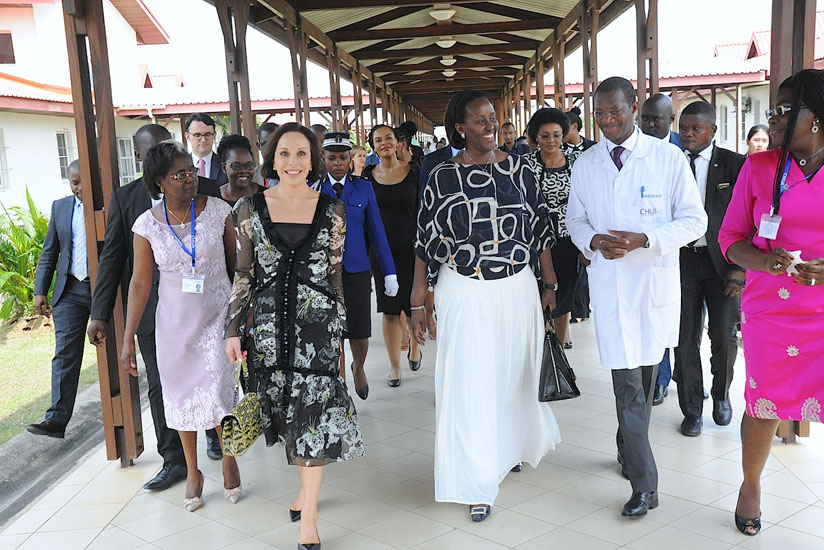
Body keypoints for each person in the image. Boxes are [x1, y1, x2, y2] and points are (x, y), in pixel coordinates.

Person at [411, 90, 561, 522]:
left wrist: (549, 282)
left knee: (513, 374)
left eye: (492, 117)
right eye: (479, 120)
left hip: (517, 288)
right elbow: (424, 239)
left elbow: (540, 229)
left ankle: (507, 449)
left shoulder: (522, 167)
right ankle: (477, 479)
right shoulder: (441, 175)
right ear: (460, 128)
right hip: (466, 288)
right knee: (471, 381)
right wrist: (418, 299)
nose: (490, 125)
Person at [566, 76, 707, 518]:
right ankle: (646, 486)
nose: (607, 120)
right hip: (611, 286)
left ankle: (628, 446)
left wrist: (646, 239)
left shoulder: (667, 158)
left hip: (652, 285)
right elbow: (575, 220)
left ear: (633, 108)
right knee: (627, 386)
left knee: (643, 384)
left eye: (615, 111)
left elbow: (695, 221)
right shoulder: (586, 163)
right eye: (600, 113)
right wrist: (593, 242)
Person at [225, 123, 364, 549]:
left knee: (313, 419)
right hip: (269, 332)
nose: (292, 162)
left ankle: (310, 518)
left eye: (302, 153)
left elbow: (335, 275)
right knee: (287, 414)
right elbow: (244, 274)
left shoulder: (333, 211)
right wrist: (233, 329)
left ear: (313, 159)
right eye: (284, 153)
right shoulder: (247, 210)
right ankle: (305, 492)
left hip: (318, 332)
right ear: (272, 159)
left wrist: (340, 333)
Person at [87, 124, 222, 491]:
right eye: (154, 154)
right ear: (142, 160)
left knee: (212, 376)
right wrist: (100, 314)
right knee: (164, 387)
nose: (168, 160)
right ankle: (175, 461)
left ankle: (216, 438)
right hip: (155, 314)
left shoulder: (207, 191)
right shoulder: (126, 198)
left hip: (207, 307)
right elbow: (114, 259)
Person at [718, 69, 824, 536]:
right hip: (771, 308)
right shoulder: (760, 167)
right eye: (773, 109)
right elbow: (730, 237)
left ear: (815, 118)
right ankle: (751, 484)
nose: (773, 117)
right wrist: (766, 262)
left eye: (784, 110)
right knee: (764, 402)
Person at [121, 140, 239, 512]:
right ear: (159, 181)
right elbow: (140, 284)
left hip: (217, 316)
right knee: (181, 399)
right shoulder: (146, 225)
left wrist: (243, 316)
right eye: (180, 174)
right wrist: (127, 339)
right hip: (173, 325)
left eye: (191, 171)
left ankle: (230, 459)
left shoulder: (218, 210)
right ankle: (192, 471)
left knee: (219, 393)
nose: (190, 178)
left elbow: (240, 267)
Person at [674, 101, 747, 436]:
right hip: (680, 262)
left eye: (695, 128)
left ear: (713, 130)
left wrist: (740, 268)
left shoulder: (735, 164)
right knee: (684, 338)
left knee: (723, 335)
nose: (687, 134)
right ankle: (691, 409)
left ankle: (721, 396)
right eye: (683, 128)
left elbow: (749, 217)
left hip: (723, 264)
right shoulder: (671, 162)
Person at [315, 132, 397, 398]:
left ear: (350, 159)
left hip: (357, 269)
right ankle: (337, 380)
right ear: (324, 159)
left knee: (360, 329)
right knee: (330, 330)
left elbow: (377, 232)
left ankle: (358, 367)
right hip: (324, 271)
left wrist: (389, 272)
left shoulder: (363, 187)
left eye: (343, 157)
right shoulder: (314, 190)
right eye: (332, 158)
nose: (338, 163)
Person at [28, 161, 90, 438]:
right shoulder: (60, 207)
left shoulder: (109, 205)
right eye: (74, 183)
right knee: (65, 353)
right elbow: (50, 251)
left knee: (114, 354)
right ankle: (55, 420)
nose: (79, 188)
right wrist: (40, 290)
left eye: (83, 182)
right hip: (70, 290)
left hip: (102, 290)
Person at [363, 124, 422, 386]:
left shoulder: (414, 172)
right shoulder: (367, 177)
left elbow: (424, 211)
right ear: (373, 146)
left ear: (398, 142)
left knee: (411, 306)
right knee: (389, 309)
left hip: (412, 250)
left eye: (389, 138)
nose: (385, 143)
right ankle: (395, 366)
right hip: (381, 252)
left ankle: (415, 347)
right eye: (379, 140)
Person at [524, 107, 581, 352]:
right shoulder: (525, 164)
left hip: (568, 239)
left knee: (564, 293)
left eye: (556, 135)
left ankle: (558, 348)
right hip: (534, 241)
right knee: (538, 293)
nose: (551, 141)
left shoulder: (576, 162)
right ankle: (540, 345)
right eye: (545, 135)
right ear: (536, 136)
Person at [217, 134, 262, 207]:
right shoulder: (214, 199)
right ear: (224, 168)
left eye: (249, 165)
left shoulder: (266, 196)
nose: (244, 171)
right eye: (236, 166)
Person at [184, 113, 228, 186]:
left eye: (208, 134)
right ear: (187, 136)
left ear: (214, 135)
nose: (203, 140)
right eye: (197, 135)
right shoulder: (180, 166)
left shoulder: (225, 165)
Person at [253, 122, 279, 187]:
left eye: (274, 143)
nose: (271, 148)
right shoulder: (253, 176)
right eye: (265, 143)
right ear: (259, 146)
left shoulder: (292, 171)